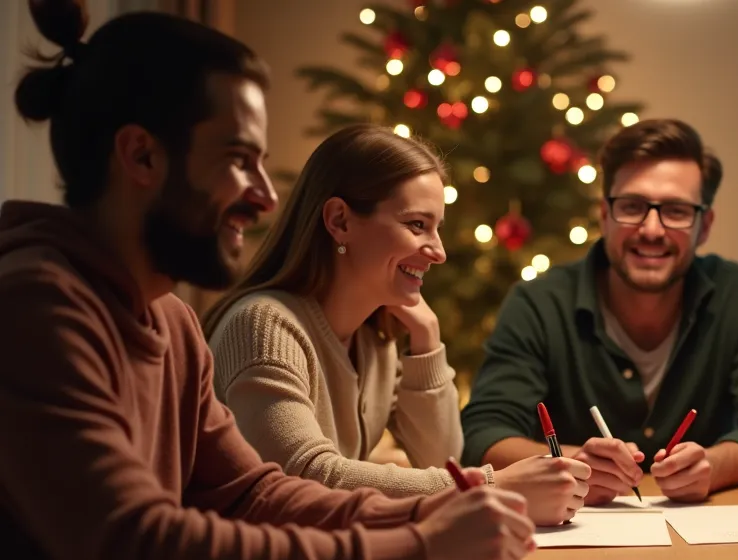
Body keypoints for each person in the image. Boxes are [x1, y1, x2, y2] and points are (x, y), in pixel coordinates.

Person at [0, 5, 534, 560]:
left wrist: (431, 519)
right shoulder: (35, 305)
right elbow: (138, 555)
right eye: (238, 160)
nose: (266, 197)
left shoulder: (168, 318)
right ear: (141, 155)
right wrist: (418, 551)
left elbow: (253, 493)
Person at [204, 124, 590, 527]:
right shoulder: (263, 325)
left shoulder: (374, 340)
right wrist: (491, 486)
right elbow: (306, 477)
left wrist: (427, 342)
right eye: (417, 225)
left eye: (436, 228)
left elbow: (442, 460)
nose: (438, 252)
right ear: (340, 221)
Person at [461, 119, 738, 504]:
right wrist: (573, 465)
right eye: (632, 207)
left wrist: (713, 465)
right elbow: (483, 432)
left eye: (676, 211)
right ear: (604, 215)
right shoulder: (538, 303)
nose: (651, 229)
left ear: (704, 225)